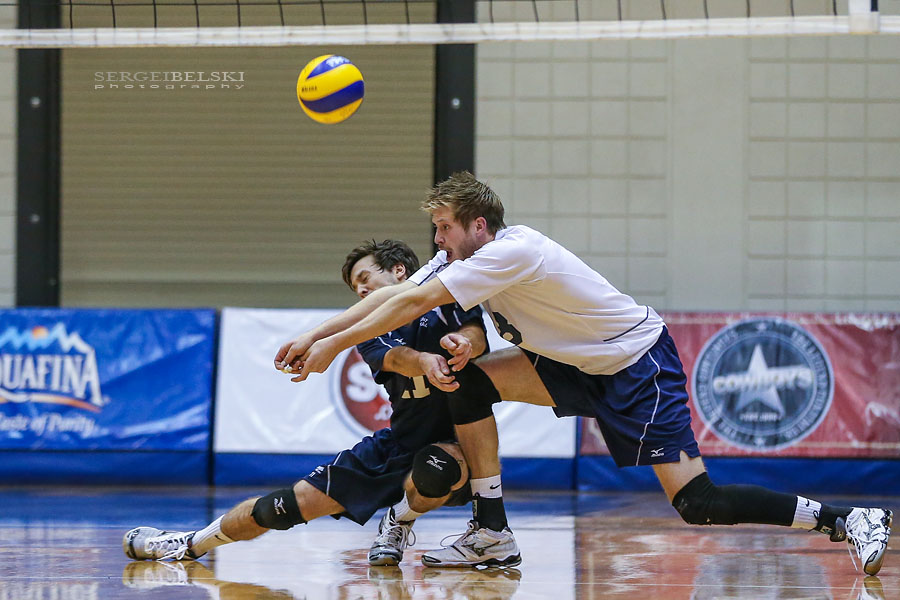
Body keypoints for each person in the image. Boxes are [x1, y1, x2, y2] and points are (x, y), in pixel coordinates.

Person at [277, 171, 892, 574]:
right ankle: (491, 530)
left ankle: (847, 519)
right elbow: (386, 300)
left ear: (478, 226)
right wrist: (316, 334)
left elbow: (408, 305)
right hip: (572, 364)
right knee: (471, 380)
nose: (436, 238)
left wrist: (331, 351)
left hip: (634, 367)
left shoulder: (509, 252)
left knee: (698, 504)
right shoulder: (457, 255)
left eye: (445, 227)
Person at [123, 239, 492, 567]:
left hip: (459, 442)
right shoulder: (367, 330)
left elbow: (476, 332)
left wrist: (465, 344)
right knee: (281, 507)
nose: (360, 289)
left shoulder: (447, 295)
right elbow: (397, 359)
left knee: (435, 469)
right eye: (355, 286)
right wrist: (426, 362)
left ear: (399, 271)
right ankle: (190, 543)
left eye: (366, 277)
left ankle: (398, 519)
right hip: (397, 444)